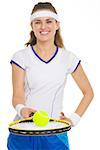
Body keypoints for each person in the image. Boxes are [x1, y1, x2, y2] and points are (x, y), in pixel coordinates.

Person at [7, 2, 94, 150]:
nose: (43, 27)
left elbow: (88, 92)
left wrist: (73, 120)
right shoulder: (21, 57)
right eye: (38, 22)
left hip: (55, 134)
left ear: (57, 24)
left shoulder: (68, 58)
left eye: (49, 21)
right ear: (32, 26)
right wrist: (22, 109)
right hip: (24, 132)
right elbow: (17, 96)